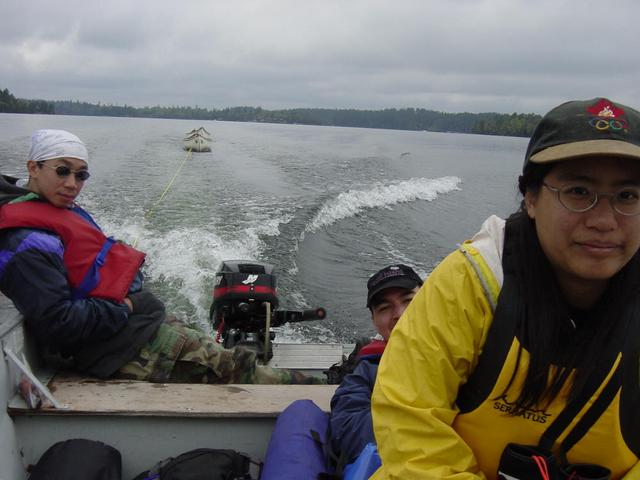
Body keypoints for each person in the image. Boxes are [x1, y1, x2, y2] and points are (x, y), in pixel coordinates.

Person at [371, 98, 640, 479]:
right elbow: (409, 419)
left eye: (628, 196)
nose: (603, 220)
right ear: (530, 197)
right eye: (579, 191)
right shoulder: (474, 282)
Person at [0, 129, 320, 385]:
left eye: (81, 175)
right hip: (120, 348)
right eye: (62, 171)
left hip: (135, 328)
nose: (72, 184)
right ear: (33, 167)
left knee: (222, 351)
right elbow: (60, 325)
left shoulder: (47, 210)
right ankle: (333, 389)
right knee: (244, 371)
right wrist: (126, 305)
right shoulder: (26, 244)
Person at [329, 264, 422, 464]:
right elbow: (348, 434)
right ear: (374, 321)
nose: (399, 313)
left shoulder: (469, 352)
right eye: (384, 308)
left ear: (430, 302)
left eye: (409, 300)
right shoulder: (367, 370)